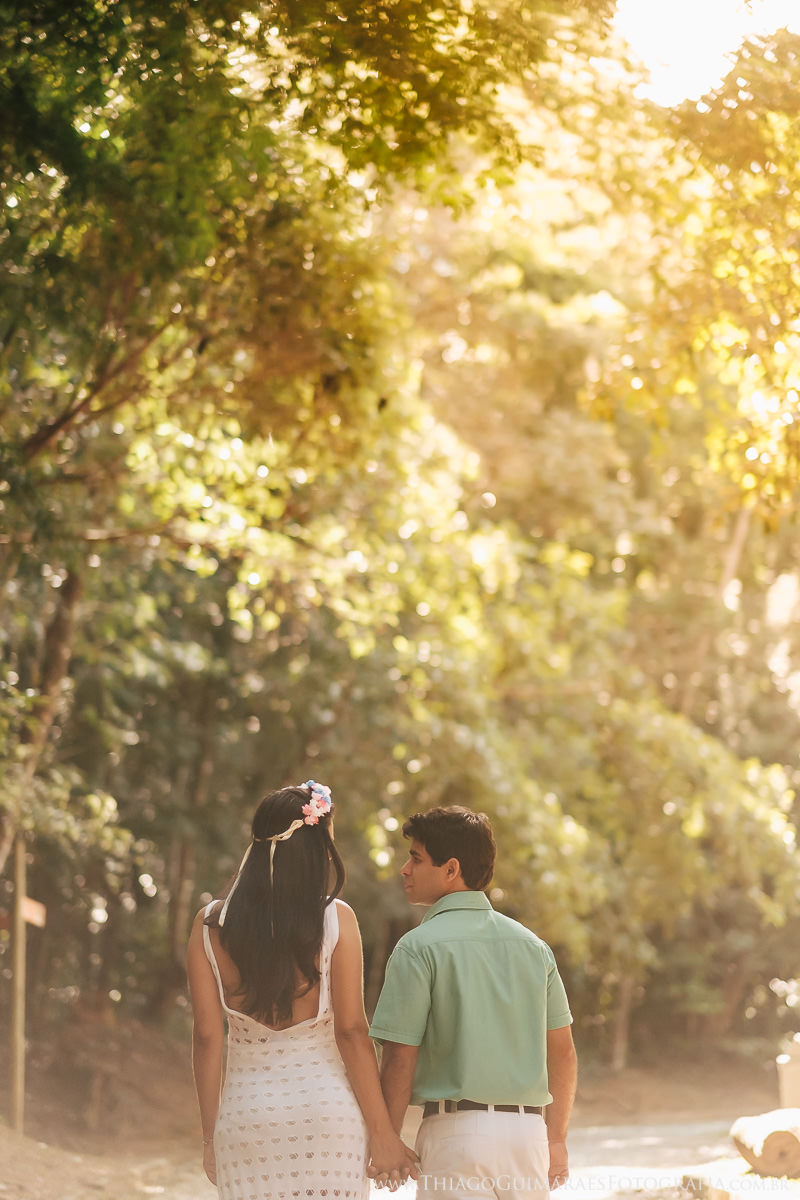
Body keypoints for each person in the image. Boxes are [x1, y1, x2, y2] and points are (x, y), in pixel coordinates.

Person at [186, 780, 418, 1199]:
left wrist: (210, 1137)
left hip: (246, 1121)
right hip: (327, 1121)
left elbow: (207, 1037)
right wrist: (384, 1135)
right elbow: (351, 1032)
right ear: (317, 850)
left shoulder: (211, 926)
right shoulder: (336, 921)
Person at [369, 805, 578, 1200]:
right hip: (528, 1137)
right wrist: (556, 1140)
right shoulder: (534, 948)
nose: (405, 869)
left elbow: (399, 1056)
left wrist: (388, 1138)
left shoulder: (417, 948)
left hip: (456, 1137)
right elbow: (563, 1053)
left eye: (416, 858)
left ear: (451, 870)